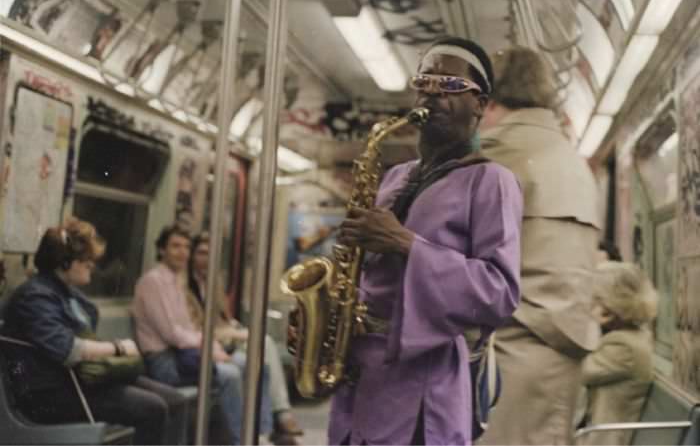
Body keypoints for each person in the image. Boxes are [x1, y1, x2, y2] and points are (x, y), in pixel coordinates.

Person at [309, 36, 523, 445]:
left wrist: (406, 244)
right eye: (425, 81)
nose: (434, 93)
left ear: (480, 104)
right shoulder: (395, 176)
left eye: (452, 85)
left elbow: (500, 295)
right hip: (360, 371)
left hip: (422, 384)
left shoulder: (492, 181)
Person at [477, 47, 601, 445]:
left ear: (490, 101)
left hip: (510, 345)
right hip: (560, 346)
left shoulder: (498, 153)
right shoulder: (571, 159)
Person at [0, 218, 188, 445]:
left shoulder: (67, 293)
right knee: (152, 408)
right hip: (51, 391)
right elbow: (67, 349)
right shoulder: (36, 296)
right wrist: (117, 348)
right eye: (86, 259)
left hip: (81, 379)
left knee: (176, 401)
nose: (92, 264)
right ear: (65, 263)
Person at [131, 225, 271, 444]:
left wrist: (213, 350)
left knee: (251, 363)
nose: (182, 252)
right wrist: (212, 352)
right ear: (161, 250)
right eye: (175, 246)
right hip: (164, 363)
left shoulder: (175, 281)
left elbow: (190, 328)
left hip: (183, 356)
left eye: (186, 247)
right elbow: (172, 334)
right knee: (230, 374)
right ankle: (240, 440)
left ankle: (261, 432)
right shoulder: (152, 281)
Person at [186, 232, 303, 445]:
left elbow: (224, 317)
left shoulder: (214, 282)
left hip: (224, 338)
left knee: (262, 360)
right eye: (201, 253)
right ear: (193, 256)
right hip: (208, 342)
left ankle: (265, 429)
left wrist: (234, 329)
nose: (206, 258)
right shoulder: (185, 288)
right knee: (261, 344)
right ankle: (280, 415)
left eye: (210, 253)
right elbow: (195, 327)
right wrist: (234, 333)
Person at [581, 262, 657, 445]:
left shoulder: (624, 347)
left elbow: (576, 374)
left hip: (605, 439)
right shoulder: (633, 336)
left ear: (609, 304)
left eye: (595, 298)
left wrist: (590, 323)